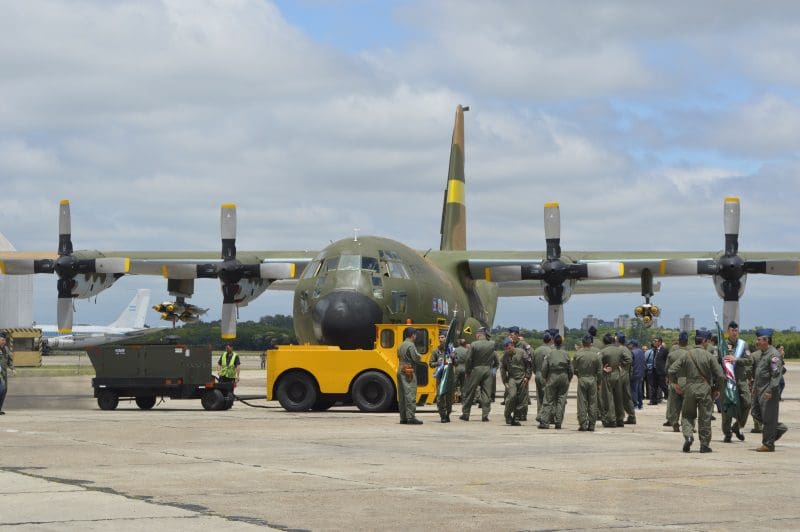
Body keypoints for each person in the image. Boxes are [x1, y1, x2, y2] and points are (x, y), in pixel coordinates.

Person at [669, 330, 724, 453]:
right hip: (705, 389)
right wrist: (717, 389)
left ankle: (688, 436)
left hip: (689, 388)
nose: (708, 344)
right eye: (707, 341)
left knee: (687, 415)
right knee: (705, 417)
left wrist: (674, 383)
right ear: (704, 341)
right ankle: (704, 445)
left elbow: (671, 370)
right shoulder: (709, 356)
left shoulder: (686, 355)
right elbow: (720, 375)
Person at [750, 329, 788, 451]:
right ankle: (779, 428)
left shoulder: (773, 355)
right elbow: (759, 373)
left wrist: (770, 390)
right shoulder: (763, 354)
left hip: (768, 391)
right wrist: (754, 388)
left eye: (759, 340)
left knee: (768, 418)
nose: (757, 342)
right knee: (755, 412)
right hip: (759, 390)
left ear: (766, 341)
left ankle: (768, 444)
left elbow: (775, 375)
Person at [721, 321, 752, 443]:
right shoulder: (722, 345)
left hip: (740, 380)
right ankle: (727, 433)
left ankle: (737, 426)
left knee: (747, 402)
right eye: (732, 330)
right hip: (727, 381)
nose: (734, 333)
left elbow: (749, 361)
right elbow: (716, 361)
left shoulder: (743, 345)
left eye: (736, 330)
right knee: (727, 408)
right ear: (728, 332)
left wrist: (736, 359)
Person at [459, 328, 496, 422]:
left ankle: (466, 414)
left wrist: (467, 371)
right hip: (488, 369)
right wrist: (493, 369)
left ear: (479, 335)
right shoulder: (492, 344)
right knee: (486, 393)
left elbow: (468, 359)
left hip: (476, 369)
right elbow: (495, 358)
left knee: (470, 392)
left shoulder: (474, 344)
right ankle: (485, 415)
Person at [537, 334, 572, 429]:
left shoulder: (550, 353)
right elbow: (570, 369)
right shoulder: (566, 354)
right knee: (561, 400)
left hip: (552, 376)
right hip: (564, 377)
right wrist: (568, 378)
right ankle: (558, 422)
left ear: (554, 342)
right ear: (561, 342)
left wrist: (545, 377)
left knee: (548, 399)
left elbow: (544, 367)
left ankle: (545, 422)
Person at [573, 334, 602, 431]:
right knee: (593, 403)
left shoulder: (578, 354)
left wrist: (579, 375)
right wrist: (599, 382)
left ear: (582, 343)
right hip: (593, 379)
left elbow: (573, 368)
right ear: (591, 343)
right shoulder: (596, 355)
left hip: (582, 379)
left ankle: (583, 424)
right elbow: (599, 371)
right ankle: (592, 425)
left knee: (582, 402)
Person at [501, 338, 531, 426]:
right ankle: (507, 415)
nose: (507, 350)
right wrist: (505, 382)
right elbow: (503, 369)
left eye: (509, 348)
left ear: (512, 345)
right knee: (512, 396)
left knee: (522, 400)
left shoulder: (521, 352)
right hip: (512, 379)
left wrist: (527, 377)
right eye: (506, 348)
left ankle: (516, 418)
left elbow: (529, 364)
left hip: (522, 378)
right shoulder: (505, 356)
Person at [396, 327, 423, 425]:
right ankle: (410, 417)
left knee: (402, 395)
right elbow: (416, 358)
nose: (416, 336)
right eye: (415, 334)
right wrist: (420, 356)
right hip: (408, 371)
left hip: (400, 369)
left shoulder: (401, 345)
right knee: (410, 394)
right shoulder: (411, 345)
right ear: (412, 335)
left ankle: (403, 418)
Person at [664, 332, 689, 432]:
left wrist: (669, 379)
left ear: (679, 341)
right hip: (688, 380)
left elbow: (667, 368)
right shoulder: (691, 353)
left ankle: (674, 422)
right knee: (687, 404)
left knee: (674, 403)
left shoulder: (672, 354)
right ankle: (686, 423)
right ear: (687, 341)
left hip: (675, 380)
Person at [599, 333, 625, 427]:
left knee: (608, 398)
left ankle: (611, 419)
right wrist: (620, 366)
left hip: (607, 375)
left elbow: (597, 362)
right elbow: (628, 359)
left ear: (604, 341)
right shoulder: (619, 350)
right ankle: (620, 419)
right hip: (617, 374)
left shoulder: (603, 351)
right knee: (619, 397)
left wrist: (603, 369)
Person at [429, 332, 456, 423]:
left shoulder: (451, 350)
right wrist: (437, 363)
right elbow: (431, 364)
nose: (440, 339)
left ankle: (448, 414)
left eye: (442, 337)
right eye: (439, 337)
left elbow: (456, 363)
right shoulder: (436, 351)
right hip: (440, 377)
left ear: (446, 339)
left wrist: (453, 358)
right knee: (440, 397)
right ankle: (442, 415)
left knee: (449, 397)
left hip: (449, 377)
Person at [508, 326, 533, 421]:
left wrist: (528, 375)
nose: (511, 337)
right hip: (513, 375)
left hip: (523, 374)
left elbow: (531, 356)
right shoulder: (510, 345)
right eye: (510, 335)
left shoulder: (523, 344)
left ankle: (523, 414)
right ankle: (515, 414)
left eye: (512, 335)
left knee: (523, 396)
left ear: (517, 335)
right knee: (513, 395)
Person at [532, 332, 552, 422]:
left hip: (537, 374)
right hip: (546, 376)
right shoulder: (550, 351)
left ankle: (539, 413)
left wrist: (536, 372)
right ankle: (543, 416)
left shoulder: (536, 350)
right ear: (550, 340)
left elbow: (532, 365)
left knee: (539, 396)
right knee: (546, 397)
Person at [617, 333, 636, 424]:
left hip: (622, 374)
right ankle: (631, 416)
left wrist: (621, 364)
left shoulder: (620, 349)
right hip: (626, 374)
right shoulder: (626, 349)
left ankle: (621, 417)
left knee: (620, 396)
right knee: (626, 397)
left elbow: (629, 359)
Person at [628, 339, 646, 410]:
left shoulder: (632, 352)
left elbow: (630, 363)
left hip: (634, 373)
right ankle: (640, 404)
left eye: (629, 344)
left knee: (633, 390)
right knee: (639, 389)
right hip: (641, 373)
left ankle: (635, 404)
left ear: (632, 345)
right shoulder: (641, 351)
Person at [650, 336, 669, 404]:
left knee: (663, 385)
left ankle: (669, 397)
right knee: (654, 386)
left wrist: (666, 371)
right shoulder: (655, 350)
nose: (654, 342)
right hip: (654, 370)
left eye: (655, 341)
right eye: (654, 341)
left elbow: (667, 361)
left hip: (661, 371)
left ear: (660, 342)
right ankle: (654, 401)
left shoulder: (664, 350)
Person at [0, 332, 14, 415]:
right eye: (2, 340)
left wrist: (12, 368)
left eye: (5, 340)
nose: (4, 342)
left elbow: (9, 360)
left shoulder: (6, 349)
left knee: (4, 390)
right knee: (1, 389)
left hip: (3, 374)